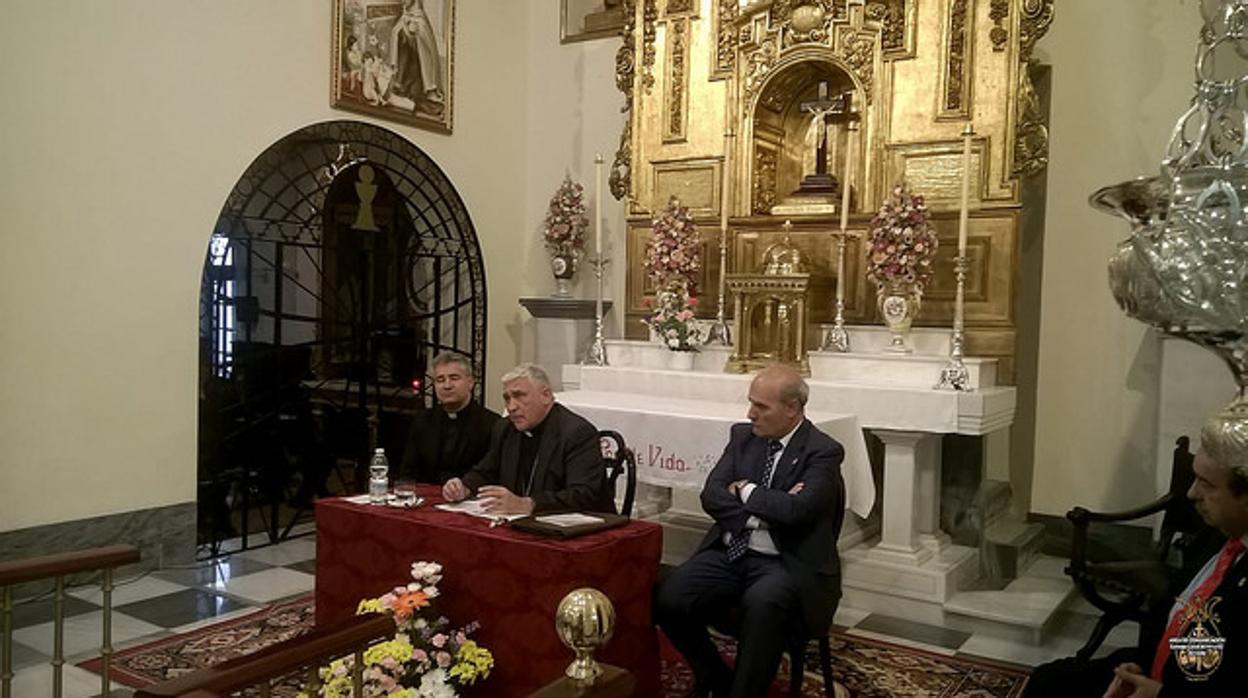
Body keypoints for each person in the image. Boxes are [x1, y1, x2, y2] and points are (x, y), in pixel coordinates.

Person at [654, 365, 846, 698]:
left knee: (763, 604)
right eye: (750, 403)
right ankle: (714, 676)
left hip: (785, 562)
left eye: (761, 406)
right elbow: (711, 494)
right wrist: (763, 512)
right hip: (731, 552)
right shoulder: (744, 437)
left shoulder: (822, 451)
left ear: (792, 409)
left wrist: (744, 490)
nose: (750, 413)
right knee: (668, 596)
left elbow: (797, 512)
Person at [1025, 426, 1248, 697]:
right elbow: (1175, 609)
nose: (1191, 493)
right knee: (1046, 681)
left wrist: (1158, 694)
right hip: (1154, 662)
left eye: (1206, 483)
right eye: (1194, 478)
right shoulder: (1218, 533)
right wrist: (1139, 667)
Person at [442, 363, 614, 515]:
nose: (511, 407)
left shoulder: (576, 432)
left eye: (519, 396)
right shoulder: (505, 428)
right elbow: (487, 470)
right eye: (507, 398)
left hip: (581, 531)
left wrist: (528, 504)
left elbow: (583, 494)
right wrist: (464, 487)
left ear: (545, 395)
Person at [399, 352, 500, 485]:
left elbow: (492, 474)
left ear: (470, 382)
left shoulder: (492, 424)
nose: (447, 385)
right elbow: (407, 472)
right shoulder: (423, 420)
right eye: (440, 380)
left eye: (454, 378)